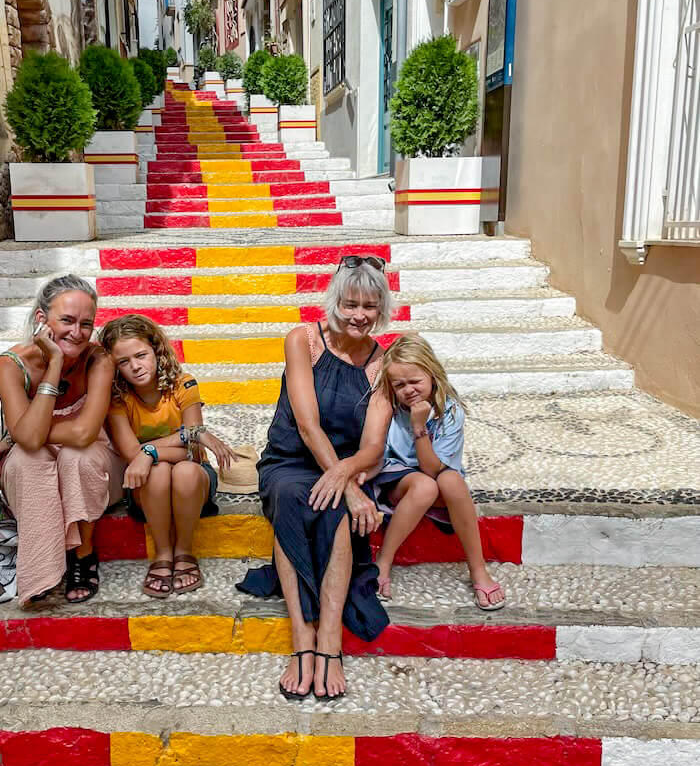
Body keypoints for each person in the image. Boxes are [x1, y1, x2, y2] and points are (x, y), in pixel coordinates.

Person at [237, 256, 396, 702]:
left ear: (382, 308)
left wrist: (346, 479)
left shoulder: (384, 362)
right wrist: (349, 486)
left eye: (369, 306)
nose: (359, 315)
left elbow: (372, 447)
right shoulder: (303, 340)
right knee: (292, 498)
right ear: (334, 302)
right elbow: (307, 425)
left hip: (341, 464)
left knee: (335, 512)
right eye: (350, 304)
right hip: (291, 459)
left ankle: (329, 638)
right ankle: (300, 637)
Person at [0, 275, 124, 606]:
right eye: (66, 320)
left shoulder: (98, 360)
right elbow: (32, 443)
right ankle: (41, 572)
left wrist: (19, 433)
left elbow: (83, 434)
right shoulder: (10, 366)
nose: (76, 333)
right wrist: (54, 365)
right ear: (41, 320)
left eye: (85, 324)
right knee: (25, 459)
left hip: (96, 465)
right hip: (38, 463)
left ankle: (83, 554)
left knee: (76, 456)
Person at [100, 314, 236, 598]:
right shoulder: (117, 401)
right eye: (124, 362)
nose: (135, 366)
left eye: (141, 355)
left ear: (156, 351)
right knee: (159, 470)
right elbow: (134, 455)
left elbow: (194, 454)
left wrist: (150, 451)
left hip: (193, 477)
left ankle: (184, 551)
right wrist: (182, 438)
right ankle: (162, 554)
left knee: (183, 471)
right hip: (147, 487)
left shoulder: (183, 385)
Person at [370, 333, 505, 610]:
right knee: (424, 486)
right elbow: (418, 475)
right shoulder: (390, 408)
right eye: (399, 385)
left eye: (415, 381)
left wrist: (420, 427)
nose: (408, 390)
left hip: (435, 475)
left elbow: (433, 469)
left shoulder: (451, 411)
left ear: (432, 374)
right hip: (399, 480)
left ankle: (477, 569)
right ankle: (383, 562)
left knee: (452, 481)